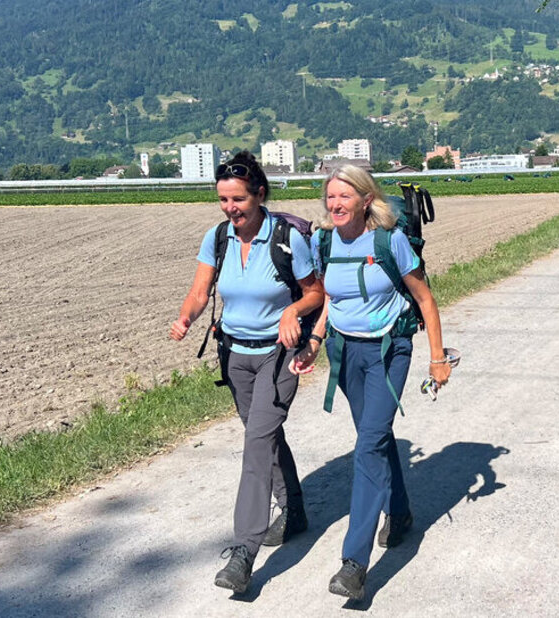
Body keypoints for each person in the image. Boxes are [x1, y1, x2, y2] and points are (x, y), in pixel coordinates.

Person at [290, 165, 451, 601]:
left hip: (387, 351)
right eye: (331, 197)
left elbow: (424, 298)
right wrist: (315, 342)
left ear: (366, 199)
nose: (336, 204)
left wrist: (437, 357)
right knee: (374, 437)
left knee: (368, 445)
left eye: (345, 196)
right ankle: (399, 512)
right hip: (345, 352)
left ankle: (354, 563)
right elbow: (329, 297)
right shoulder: (323, 241)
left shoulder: (389, 240)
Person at [170, 151, 324, 594]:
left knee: (256, 445)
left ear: (259, 194)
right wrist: (185, 318)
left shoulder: (286, 239)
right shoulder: (218, 237)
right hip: (235, 357)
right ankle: (293, 510)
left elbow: (316, 293)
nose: (230, 208)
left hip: (278, 357)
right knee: (265, 436)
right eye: (223, 200)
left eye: (237, 199)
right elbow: (200, 292)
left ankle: (244, 552)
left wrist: (293, 311)